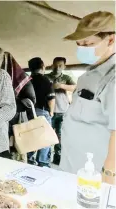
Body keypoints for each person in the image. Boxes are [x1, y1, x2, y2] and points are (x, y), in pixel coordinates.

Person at [61, 11, 115, 185]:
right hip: (72, 166)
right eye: (79, 44)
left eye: (88, 43)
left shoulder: (112, 77)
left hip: (95, 176)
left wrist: (110, 172)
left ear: (111, 40)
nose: (81, 48)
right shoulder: (88, 75)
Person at [0, 47, 36, 161]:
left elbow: (31, 100)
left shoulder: (21, 78)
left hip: (14, 123)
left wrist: (8, 105)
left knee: (12, 156)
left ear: (2, 60)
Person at [46, 57, 76, 165]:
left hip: (63, 111)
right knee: (47, 136)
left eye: (60, 65)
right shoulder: (46, 76)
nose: (57, 67)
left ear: (64, 66)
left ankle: (57, 157)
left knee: (60, 136)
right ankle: (45, 158)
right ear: (52, 64)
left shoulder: (66, 77)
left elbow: (75, 87)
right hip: (48, 111)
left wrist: (61, 86)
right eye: (56, 65)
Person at [27, 57, 56, 167]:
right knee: (45, 138)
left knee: (30, 136)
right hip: (42, 112)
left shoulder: (27, 80)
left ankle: (28, 158)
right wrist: (51, 112)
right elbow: (51, 98)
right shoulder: (45, 80)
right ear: (43, 66)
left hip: (28, 112)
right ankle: (42, 162)